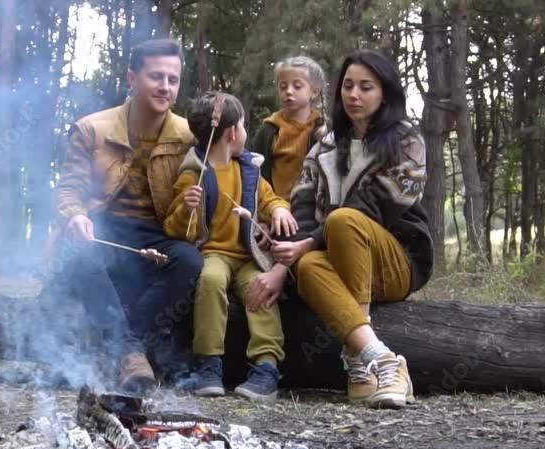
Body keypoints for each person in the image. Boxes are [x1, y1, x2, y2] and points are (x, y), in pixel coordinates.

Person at [270, 50, 434, 409]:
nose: (354, 95)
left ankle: (360, 358)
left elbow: (377, 207)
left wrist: (309, 242)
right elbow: (300, 207)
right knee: (309, 265)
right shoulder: (325, 147)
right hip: (337, 260)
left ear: (385, 93)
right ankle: (377, 361)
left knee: (342, 220)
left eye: (366, 87)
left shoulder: (407, 141)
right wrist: (292, 256)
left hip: (397, 261)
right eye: (347, 86)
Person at [46, 38, 201, 394]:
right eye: (156, 76)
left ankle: (119, 345)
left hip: (156, 233)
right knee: (80, 252)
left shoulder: (187, 137)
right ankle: (130, 352)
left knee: (190, 262)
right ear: (132, 78)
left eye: (173, 79)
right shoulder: (92, 129)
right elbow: (68, 189)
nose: (165, 86)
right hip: (104, 228)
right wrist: (74, 216)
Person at [164, 92, 298, 400]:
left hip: (248, 257)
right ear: (233, 132)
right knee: (210, 281)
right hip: (213, 254)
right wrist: (187, 207)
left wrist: (278, 210)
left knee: (261, 288)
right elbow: (175, 227)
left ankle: (266, 365)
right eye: (244, 126)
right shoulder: (194, 173)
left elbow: (269, 198)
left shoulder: (248, 169)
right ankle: (209, 364)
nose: (245, 133)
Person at [252, 55, 329, 199]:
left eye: (297, 86)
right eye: (283, 86)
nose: (288, 91)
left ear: (314, 91)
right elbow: (257, 174)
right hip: (277, 209)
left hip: (312, 209)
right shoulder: (270, 129)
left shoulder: (323, 129)